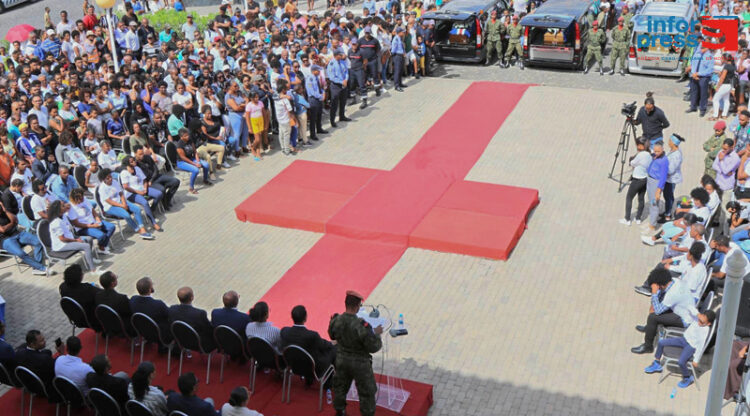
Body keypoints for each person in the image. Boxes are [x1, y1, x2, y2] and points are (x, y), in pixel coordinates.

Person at [329, 290, 382, 416]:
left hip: (341, 360)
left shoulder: (336, 320)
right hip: (360, 364)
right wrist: (377, 334)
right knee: (367, 392)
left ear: (345, 303)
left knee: (340, 388)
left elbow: (332, 335)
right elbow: (374, 347)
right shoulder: (362, 325)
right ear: (358, 306)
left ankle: (340, 411)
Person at [631, 268, 699, 354]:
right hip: (683, 310)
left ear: (661, 285)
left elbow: (658, 311)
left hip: (684, 319)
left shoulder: (672, 295)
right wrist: (657, 294)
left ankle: (648, 346)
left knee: (653, 317)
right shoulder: (675, 281)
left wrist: (654, 293)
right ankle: (649, 328)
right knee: (658, 302)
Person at [644, 310, 716, 389]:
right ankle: (657, 363)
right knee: (661, 343)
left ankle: (687, 377)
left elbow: (700, 345)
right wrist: (698, 315)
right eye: (699, 320)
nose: (699, 322)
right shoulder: (697, 318)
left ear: (708, 324)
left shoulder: (705, 330)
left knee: (681, 362)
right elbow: (690, 308)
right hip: (684, 340)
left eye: (702, 322)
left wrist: (696, 359)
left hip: (691, 346)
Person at [281, 305, 337, 382]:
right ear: (305, 318)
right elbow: (325, 346)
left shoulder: (284, 331)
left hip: (294, 366)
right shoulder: (312, 336)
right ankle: (328, 383)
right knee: (333, 350)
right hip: (313, 369)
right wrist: (332, 343)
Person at [97, 168, 155, 240]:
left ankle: (142, 228)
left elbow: (121, 194)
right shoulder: (102, 188)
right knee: (126, 215)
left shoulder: (115, 182)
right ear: (103, 180)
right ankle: (138, 229)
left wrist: (124, 203)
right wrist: (122, 206)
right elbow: (109, 201)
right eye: (107, 178)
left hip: (120, 202)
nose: (110, 179)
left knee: (137, 209)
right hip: (110, 207)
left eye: (110, 176)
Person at [0, 197, 47, 275]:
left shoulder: (4, 212)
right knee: (20, 253)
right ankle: (41, 268)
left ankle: (37, 267)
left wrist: (5, 210)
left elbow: (16, 220)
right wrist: (12, 223)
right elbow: (3, 230)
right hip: (4, 240)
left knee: (39, 242)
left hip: (17, 233)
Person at [48, 200, 99, 271]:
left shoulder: (63, 216)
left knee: (89, 239)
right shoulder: (56, 223)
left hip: (69, 238)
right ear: (58, 210)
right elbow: (62, 239)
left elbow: (69, 209)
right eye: (63, 206)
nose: (65, 206)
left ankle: (90, 259)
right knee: (86, 246)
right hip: (62, 245)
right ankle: (93, 270)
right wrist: (76, 240)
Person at [121, 156, 163, 232]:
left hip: (142, 189)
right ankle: (153, 223)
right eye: (131, 161)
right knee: (145, 202)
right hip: (131, 193)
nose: (134, 161)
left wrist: (145, 188)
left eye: (134, 160)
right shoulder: (124, 173)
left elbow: (144, 180)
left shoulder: (137, 168)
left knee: (159, 194)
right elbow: (126, 187)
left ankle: (152, 209)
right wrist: (138, 192)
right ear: (127, 164)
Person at [15, 329, 62, 395]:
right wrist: (61, 353)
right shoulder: (44, 359)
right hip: (45, 387)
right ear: (32, 344)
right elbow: (57, 367)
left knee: (48, 351)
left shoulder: (18, 352)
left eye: (43, 339)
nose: (45, 341)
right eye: (41, 341)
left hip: (29, 384)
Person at [168, 287, 216, 352]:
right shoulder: (199, 314)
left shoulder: (172, 309)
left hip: (180, 340)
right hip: (198, 344)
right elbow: (209, 330)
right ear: (192, 298)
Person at [130, 277, 173, 349]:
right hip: (158, 334)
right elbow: (169, 315)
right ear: (150, 289)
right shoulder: (158, 304)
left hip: (141, 330)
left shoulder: (133, 299)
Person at [68, 188, 114, 255]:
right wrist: (92, 226)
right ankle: (102, 247)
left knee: (111, 227)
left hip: (93, 222)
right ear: (75, 199)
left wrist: (98, 220)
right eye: (81, 198)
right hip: (83, 228)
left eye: (83, 197)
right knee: (101, 235)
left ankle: (101, 246)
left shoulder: (85, 200)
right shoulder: (71, 208)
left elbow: (93, 211)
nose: (83, 199)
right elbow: (76, 224)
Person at [134, 146, 179, 211]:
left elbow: (155, 169)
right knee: (162, 189)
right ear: (135, 154)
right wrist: (149, 181)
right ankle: (164, 204)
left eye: (143, 153)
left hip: (155, 177)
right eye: (140, 154)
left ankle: (167, 199)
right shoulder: (135, 164)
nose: (142, 155)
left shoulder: (147, 157)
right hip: (148, 182)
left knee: (175, 181)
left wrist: (152, 179)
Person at [59, 264, 102, 330]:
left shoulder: (63, 287)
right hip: (91, 320)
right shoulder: (87, 289)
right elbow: (103, 294)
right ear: (80, 277)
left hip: (76, 318)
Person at [621, 137, 651, 225]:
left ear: (641, 146)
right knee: (641, 198)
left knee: (629, 198)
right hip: (645, 179)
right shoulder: (649, 154)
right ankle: (638, 218)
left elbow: (632, 163)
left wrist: (633, 159)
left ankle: (627, 219)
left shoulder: (641, 155)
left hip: (637, 179)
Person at [95, 271, 135, 335]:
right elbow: (130, 313)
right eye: (116, 277)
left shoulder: (98, 296)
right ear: (113, 283)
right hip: (121, 326)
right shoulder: (121, 298)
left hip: (107, 324)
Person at [643, 141, 669, 234]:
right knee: (651, 200)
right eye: (655, 151)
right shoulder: (653, 155)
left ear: (662, 150)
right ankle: (651, 221)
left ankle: (652, 226)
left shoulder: (664, 161)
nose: (656, 153)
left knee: (654, 203)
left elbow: (663, 177)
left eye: (658, 151)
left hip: (656, 182)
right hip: (650, 179)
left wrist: (659, 190)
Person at [175, 128, 211, 194]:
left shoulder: (190, 140)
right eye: (185, 136)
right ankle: (191, 187)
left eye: (187, 135)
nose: (187, 137)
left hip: (191, 158)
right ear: (181, 137)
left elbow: (195, 152)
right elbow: (183, 158)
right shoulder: (179, 145)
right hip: (182, 162)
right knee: (195, 170)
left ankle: (205, 179)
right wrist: (195, 164)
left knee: (206, 165)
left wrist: (198, 161)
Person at [687, 44, 713, 118]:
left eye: (703, 48)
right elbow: (693, 64)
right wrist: (693, 73)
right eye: (700, 47)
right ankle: (693, 107)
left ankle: (702, 109)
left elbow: (709, 70)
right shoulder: (697, 54)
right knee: (693, 92)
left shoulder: (709, 56)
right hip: (694, 76)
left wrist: (699, 73)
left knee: (703, 94)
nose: (701, 49)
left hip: (703, 77)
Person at [327, 49, 351, 128]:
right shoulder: (331, 64)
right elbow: (332, 77)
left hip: (343, 84)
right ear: (336, 55)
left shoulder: (342, 62)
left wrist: (346, 79)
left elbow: (346, 71)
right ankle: (332, 120)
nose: (342, 56)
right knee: (334, 103)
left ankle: (342, 116)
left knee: (343, 101)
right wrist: (341, 82)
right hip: (336, 86)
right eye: (340, 55)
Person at [663, 134, 685, 221]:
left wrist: (662, 169)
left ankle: (668, 215)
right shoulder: (672, 151)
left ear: (673, 142)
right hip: (667, 179)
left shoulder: (676, 155)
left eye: (669, 141)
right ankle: (667, 211)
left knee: (668, 197)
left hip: (671, 180)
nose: (668, 142)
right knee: (667, 196)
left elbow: (671, 170)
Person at [710, 52, 737, 121]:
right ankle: (724, 115)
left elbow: (722, 77)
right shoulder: (733, 66)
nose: (721, 59)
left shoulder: (726, 66)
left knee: (715, 99)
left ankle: (715, 116)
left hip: (724, 85)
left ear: (725, 59)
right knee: (726, 100)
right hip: (729, 85)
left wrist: (718, 87)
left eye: (722, 58)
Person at [391, 27, 407, 92]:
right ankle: (396, 85)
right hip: (397, 56)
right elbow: (393, 49)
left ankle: (400, 83)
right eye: (402, 32)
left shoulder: (399, 38)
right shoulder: (396, 39)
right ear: (399, 32)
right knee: (397, 71)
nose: (403, 33)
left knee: (400, 70)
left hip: (401, 55)